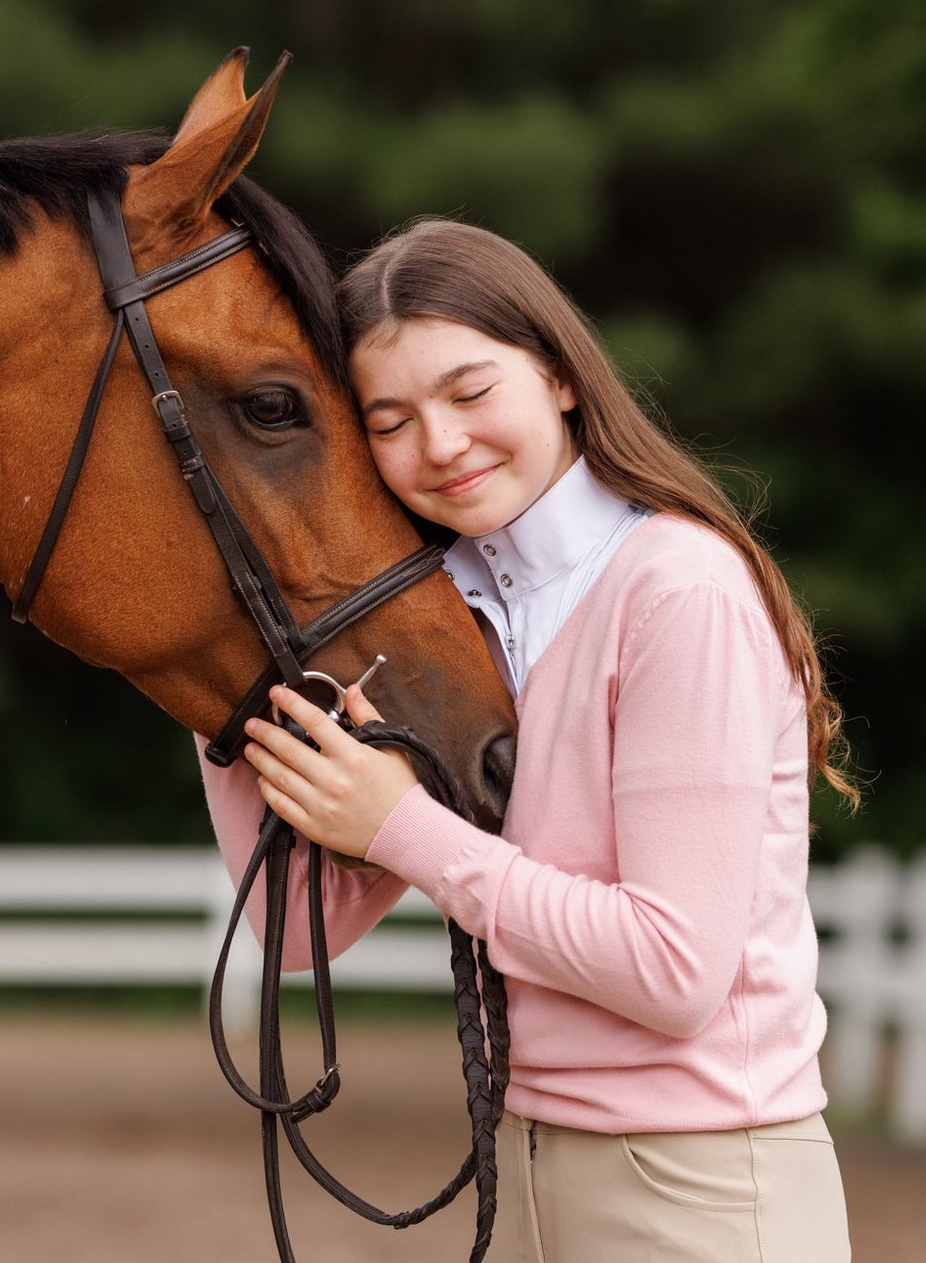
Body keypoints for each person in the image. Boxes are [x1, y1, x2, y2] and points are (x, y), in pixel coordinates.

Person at [199, 218, 856, 1261]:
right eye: (390, 420)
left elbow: (672, 970)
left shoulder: (675, 592)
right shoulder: (437, 622)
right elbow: (297, 931)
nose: (441, 444)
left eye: (469, 392)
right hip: (525, 1160)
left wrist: (405, 828)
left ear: (554, 373)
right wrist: (213, 683)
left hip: (699, 1179)